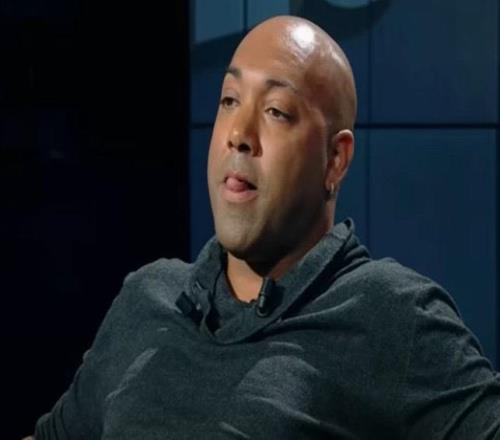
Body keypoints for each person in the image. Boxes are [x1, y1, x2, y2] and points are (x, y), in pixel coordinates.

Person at [24, 15, 500, 440]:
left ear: (335, 159)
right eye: (229, 100)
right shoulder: (147, 297)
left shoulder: (393, 315)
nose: (239, 134)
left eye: (276, 111)